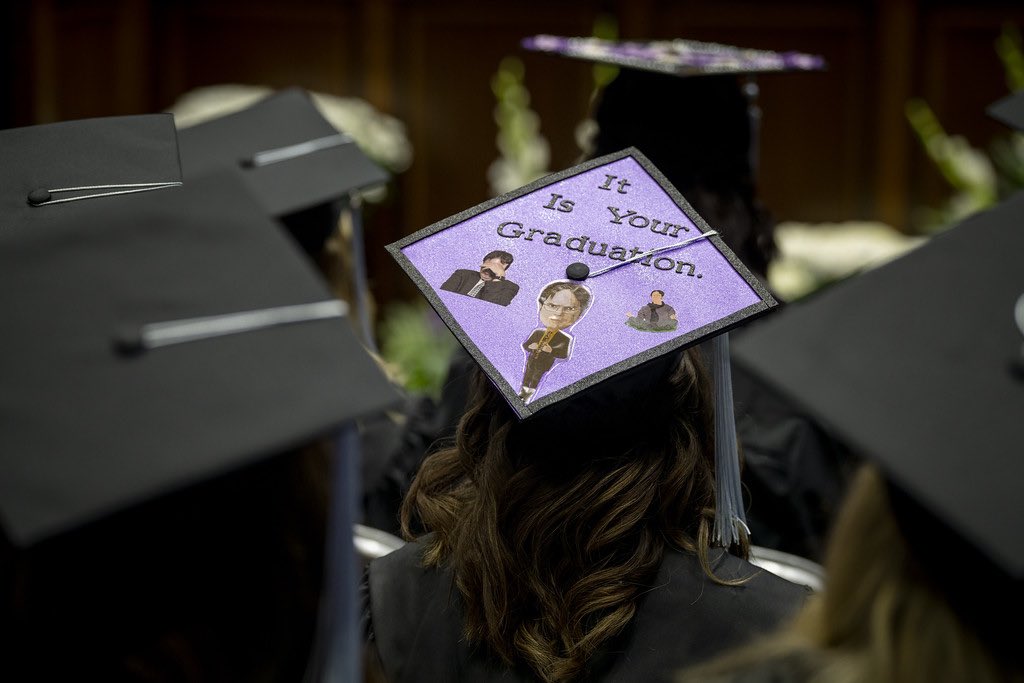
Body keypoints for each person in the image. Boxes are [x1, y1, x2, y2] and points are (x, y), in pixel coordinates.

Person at [519, 281, 590, 401]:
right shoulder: (538, 332)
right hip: (531, 360)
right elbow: (526, 345)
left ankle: (530, 394)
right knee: (527, 375)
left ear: (579, 315)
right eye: (552, 306)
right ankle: (523, 391)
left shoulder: (565, 338)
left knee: (536, 378)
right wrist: (531, 346)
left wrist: (551, 350)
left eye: (569, 308)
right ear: (541, 305)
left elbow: (563, 354)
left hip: (545, 364)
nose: (558, 313)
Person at [440, 249, 520, 306]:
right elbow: (443, 297)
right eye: (488, 265)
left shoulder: (510, 287)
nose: (488, 270)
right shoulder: (462, 274)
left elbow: (491, 309)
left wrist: (497, 278)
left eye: (495, 268)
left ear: (503, 270)